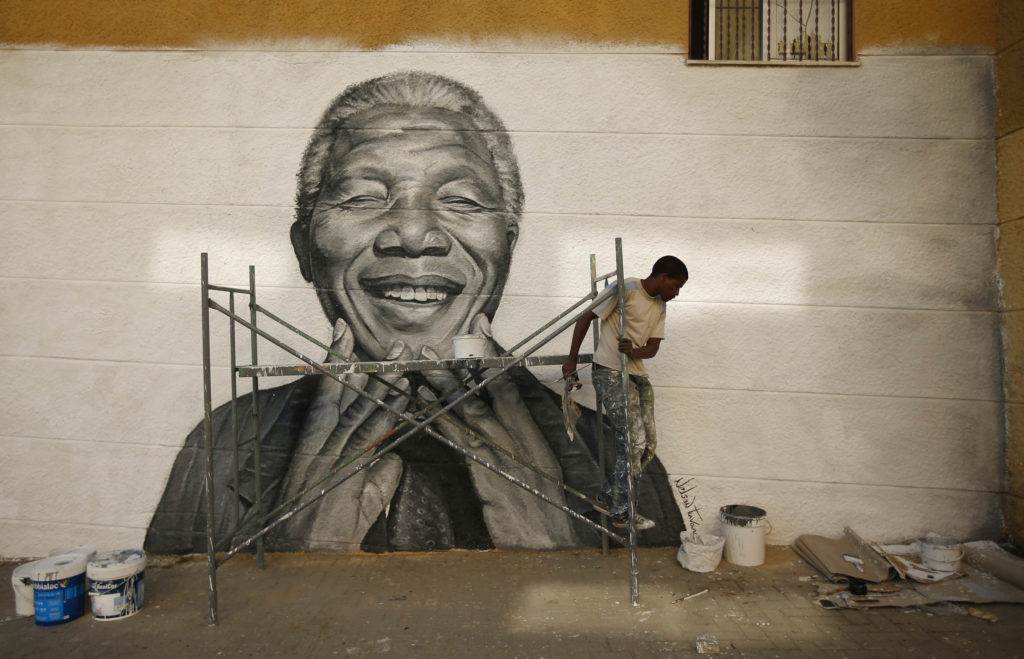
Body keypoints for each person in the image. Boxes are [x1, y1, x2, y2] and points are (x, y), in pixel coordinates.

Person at [146, 72, 684, 554]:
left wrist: (558, 539)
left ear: (507, 249)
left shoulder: (619, 457)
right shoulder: (221, 445)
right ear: (305, 250)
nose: (411, 236)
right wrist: (296, 550)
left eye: (463, 201)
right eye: (360, 197)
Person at [563, 256, 688, 530]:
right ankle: (620, 511)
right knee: (633, 442)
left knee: (647, 447)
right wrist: (571, 360)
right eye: (676, 286)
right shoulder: (626, 288)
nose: (677, 294)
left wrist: (634, 352)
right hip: (609, 371)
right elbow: (586, 317)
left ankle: (609, 495)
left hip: (636, 375)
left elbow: (653, 347)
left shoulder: (660, 306)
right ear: (664, 276)